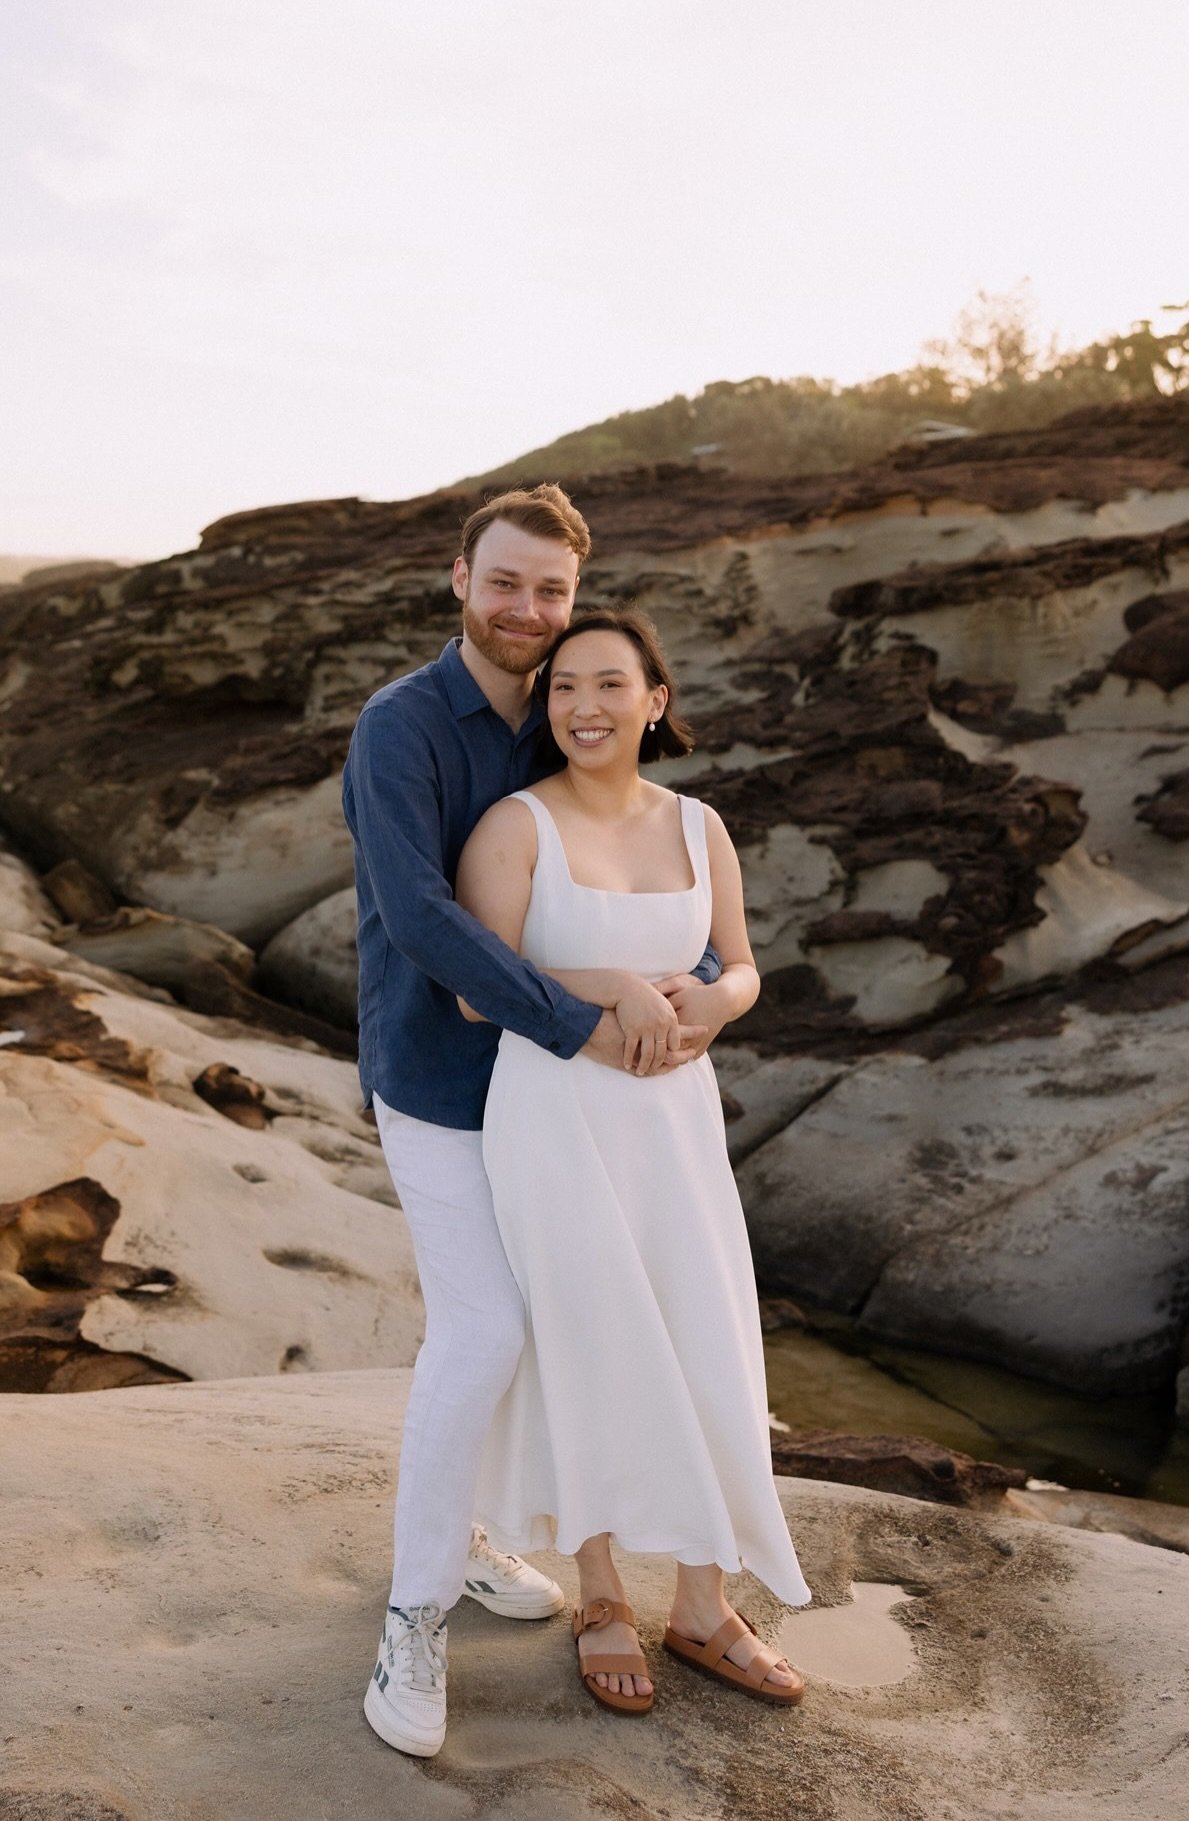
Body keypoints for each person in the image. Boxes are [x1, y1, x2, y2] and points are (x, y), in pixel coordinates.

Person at [341, 486, 719, 1758]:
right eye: (504, 582)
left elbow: (628, 861)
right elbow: (420, 918)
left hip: (565, 1100)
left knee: (552, 1316)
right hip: (445, 1081)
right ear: (461, 578)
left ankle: (468, 1531)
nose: (525, 609)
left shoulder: (567, 715)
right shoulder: (401, 727)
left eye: (549, 590)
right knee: (487, 1326)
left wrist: (687, 988)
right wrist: (586, 1016)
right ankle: (413, 1615)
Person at [455, 607, 812, 1718]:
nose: (584, 707)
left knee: (706, 1330)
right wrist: (612, 983)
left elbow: (742, 965)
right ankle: (601, 1593)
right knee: (589, 1337)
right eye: (563, 687)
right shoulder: (514, 825)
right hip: (556, 1115)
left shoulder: (700, 826)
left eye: (610, 684)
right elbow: (476, 992)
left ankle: (704, 1605)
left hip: (674, 1117)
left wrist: (716, 1000)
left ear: (655, 701)